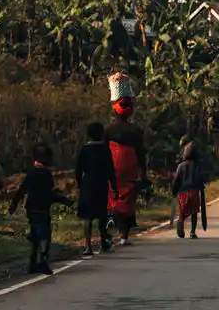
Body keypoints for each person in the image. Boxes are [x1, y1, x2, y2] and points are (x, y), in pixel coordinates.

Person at [9, 143, 72, 274]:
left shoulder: (31, 173)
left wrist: (13, 205)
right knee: (45, 236)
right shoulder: (46, 174)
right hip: (42, 208)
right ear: (45, 158)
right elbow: (49, 193)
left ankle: (32, 263)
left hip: (31, 208)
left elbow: (22, 190)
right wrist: (64, 200)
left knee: (35, 236)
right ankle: (42, 261)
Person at [106, 95, 149, 245]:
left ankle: (109, 229)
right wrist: (143, 173)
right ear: (130, 112)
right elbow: (141, 153)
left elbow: (103, 150)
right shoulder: (136, 131)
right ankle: (124, 236)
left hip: (111, 168)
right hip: (130, 169)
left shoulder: (108, 129)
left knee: (111, 199)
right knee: (127, 202)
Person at [74, 122, 117, 256]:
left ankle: (88, 246)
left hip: (87, 184)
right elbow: (111, 170)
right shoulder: (105, 149)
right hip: (101, 184)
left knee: (87, 218)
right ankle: (104, 244)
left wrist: (80, 184)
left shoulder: (84, 149)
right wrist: (115, 188)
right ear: (102, 134)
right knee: (102, 216)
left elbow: (78, 170)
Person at [171, 142, 207, 238]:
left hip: (183, 192)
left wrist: (174, 191)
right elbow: (200, 177)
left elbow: (176, 180)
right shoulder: (197, 165)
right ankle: (192, 232)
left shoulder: (181, 166)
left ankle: (181, 221)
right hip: (194, 191)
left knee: (183, 211)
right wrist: (201, 187)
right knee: (194, 212)